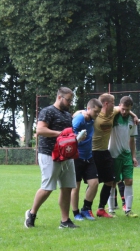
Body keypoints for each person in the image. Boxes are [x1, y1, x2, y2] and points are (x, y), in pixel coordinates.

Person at [24, 87, 79, 229]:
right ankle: (31, 214)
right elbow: (40, 130)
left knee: (67, 187)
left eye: (71, 100)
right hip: (49, 154)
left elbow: (67, 135)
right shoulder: (47, 111)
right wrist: (60, 134)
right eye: (68, 100)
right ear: (60, 97)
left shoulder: (67, 115)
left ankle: (65, 221)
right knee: (47, 188)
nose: (70, 103)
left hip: (67, 155)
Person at [71, 98, 102, 221]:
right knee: (76, 187)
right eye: (96, 112)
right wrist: (78, 137)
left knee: (94, 183)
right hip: (77, 156)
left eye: (99, 112)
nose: (97, 115)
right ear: (88, 109)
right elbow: (71, 131)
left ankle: (86, 208)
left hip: (89, 156)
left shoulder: (92, 117)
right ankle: (75, 213)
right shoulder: (80, 118)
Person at [108, 96, 138, 217]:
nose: (124, 112)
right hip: (113, 154)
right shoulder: (113, 115)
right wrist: (133, 113)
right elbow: (111, 108)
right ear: (119, 106)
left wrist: (133, 156)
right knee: (112, 182)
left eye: (127, 109)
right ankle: (111, 210)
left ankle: (128, 210)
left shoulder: (132, 121)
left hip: (126, 155)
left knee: (129, 180)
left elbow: (132, 140)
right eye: (123, 109)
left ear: (131, 108)